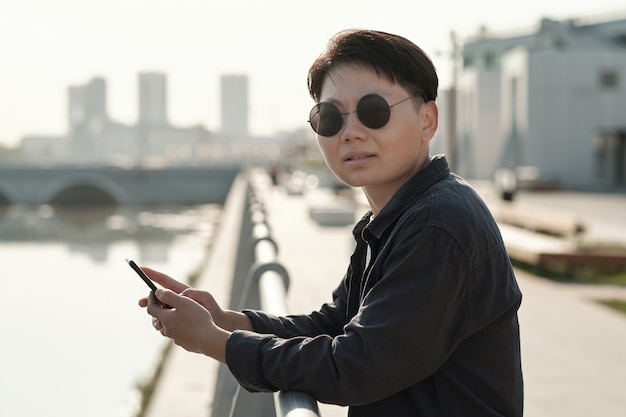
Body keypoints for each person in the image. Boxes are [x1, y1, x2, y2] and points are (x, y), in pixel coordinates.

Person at [139, 28, 524, 416]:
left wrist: (214, 341)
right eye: (330, 118)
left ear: (427, 120)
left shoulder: (438, 225)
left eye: (375, 111)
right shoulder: (397, 215)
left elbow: (357, 365)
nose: (351, 133)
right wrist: (227, 320)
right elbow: (340, 322)